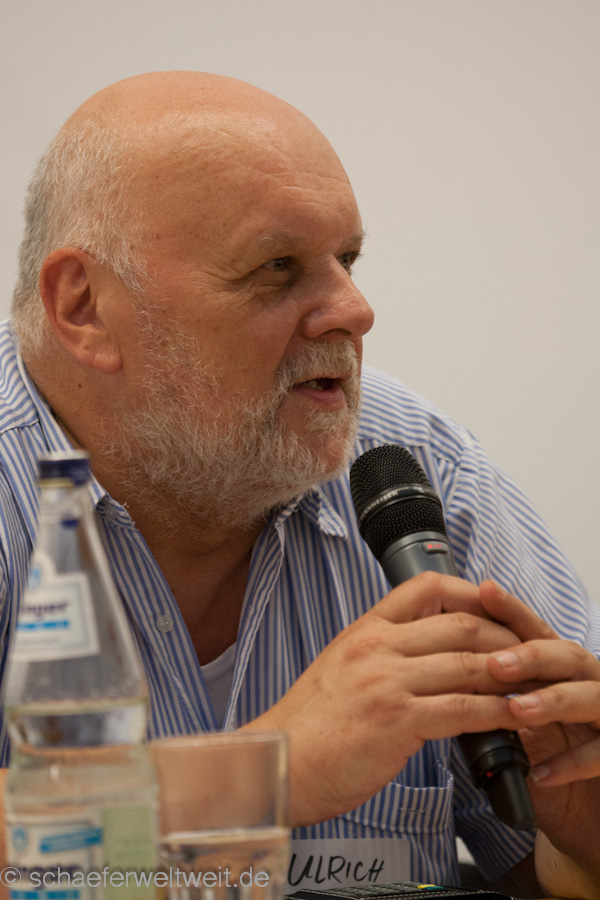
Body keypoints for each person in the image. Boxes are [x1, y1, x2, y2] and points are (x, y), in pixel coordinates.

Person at [0, 71, 599, 897]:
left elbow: (542, 866)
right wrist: (261, 776)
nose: (354, 309)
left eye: (346, 260)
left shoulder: (416, 468)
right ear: (85, 308)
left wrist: (584, 842)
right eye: (277, 268)